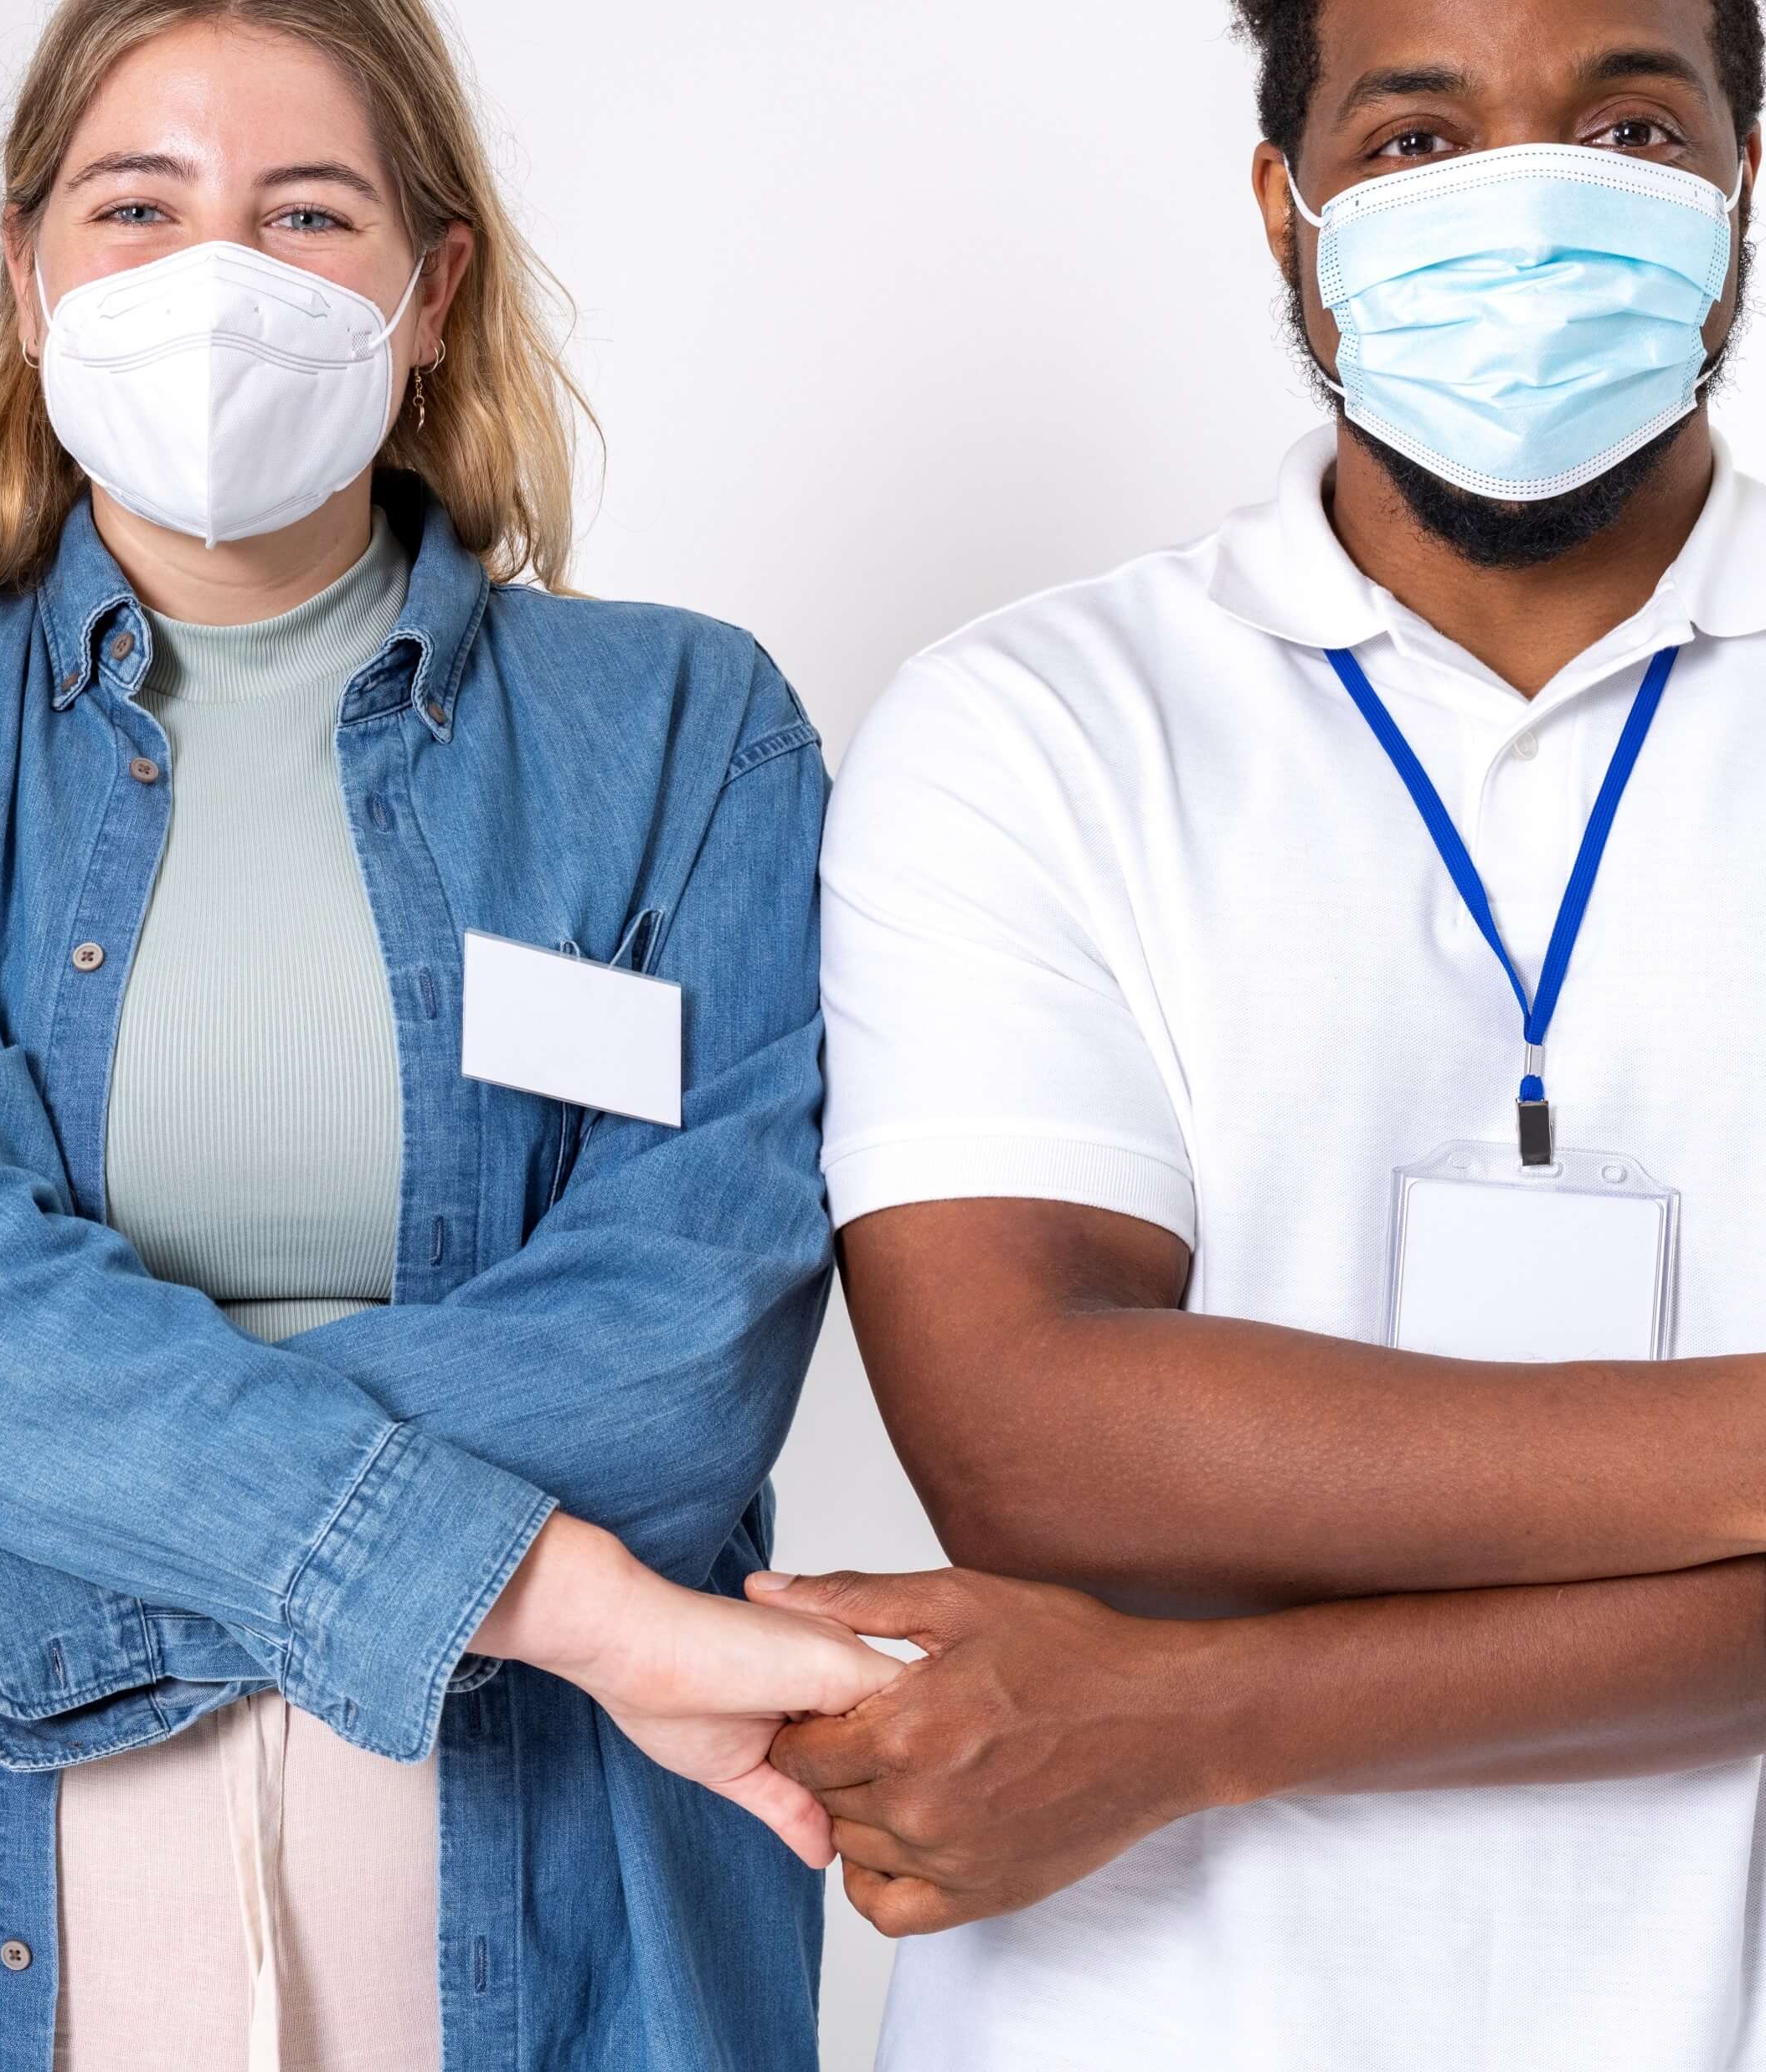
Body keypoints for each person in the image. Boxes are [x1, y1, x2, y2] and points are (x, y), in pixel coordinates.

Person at [0, 2, 895, 2066]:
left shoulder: (687, 731)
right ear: (27, 278)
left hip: (542, 1866)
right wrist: (570, 1593)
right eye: (136, 208)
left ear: (429, 292)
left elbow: (685, 1340)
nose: (215, 275)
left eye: (305, 213)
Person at [757, 0, 1766, 2067]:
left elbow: (1121, 1461)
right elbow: (1031, 1438)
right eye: (1412, 140)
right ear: (1279, 206)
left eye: (1625, 127)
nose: (1521, 207)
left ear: (1739, 186)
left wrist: (1199, 1711)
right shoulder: (1029, 726)